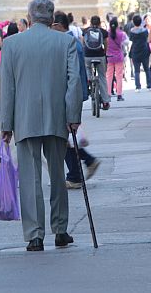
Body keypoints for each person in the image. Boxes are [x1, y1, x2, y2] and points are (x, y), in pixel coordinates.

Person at [0, 0, 82, 252]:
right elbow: (74, 83)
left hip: (24, 118)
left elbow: (7, 87)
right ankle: (60, 229)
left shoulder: (12, 44)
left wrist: (6, 123)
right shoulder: (66, 41)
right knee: (58, 174)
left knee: (30, 176)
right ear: (52, 16)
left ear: (29, 17)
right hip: (57, 117)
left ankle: (35, 234)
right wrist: (73, 116)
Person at [51, 13, 99, 189]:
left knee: (65, 136)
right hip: (71, 95)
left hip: (67, 96)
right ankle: (84, 164)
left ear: (58, 25)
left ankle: (76, 173)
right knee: (66, 137)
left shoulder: (67, 43)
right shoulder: (72, 42)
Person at [82, 15, 110, 109]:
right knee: (102, 77)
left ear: (91, 23)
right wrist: (104, 52)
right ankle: (105, 101)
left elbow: (83, 43)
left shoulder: (85, 31)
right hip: (100, 55)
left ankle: (89, 79)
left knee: (87, 68)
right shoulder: (103, 32)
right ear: (99, 23)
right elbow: (106, 44)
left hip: (88, 56)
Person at [106, 17, 128, 102]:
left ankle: (108, 94)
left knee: (109, 76)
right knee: (119, 76)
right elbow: (126, 42)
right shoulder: (121, 34)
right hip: (119, 56)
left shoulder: (107, 34)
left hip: (109, 57)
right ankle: (119, 94)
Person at [128, 15, 151, 92]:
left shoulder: (131, 31)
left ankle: (138, 87)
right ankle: (149, 85)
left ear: (133, 22)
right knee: (147, 69)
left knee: (137, 70)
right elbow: (147, 39)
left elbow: (131, 39)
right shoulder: (145, 31)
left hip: (135, 51)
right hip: (144, 50)